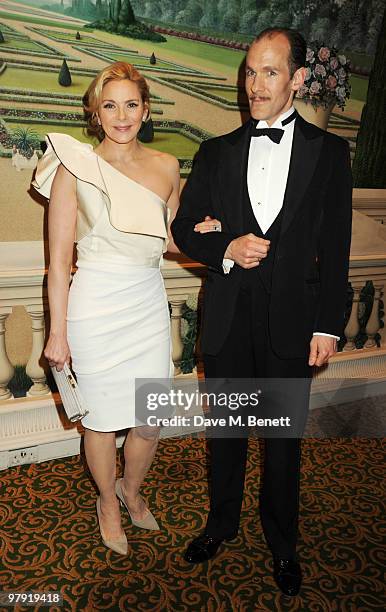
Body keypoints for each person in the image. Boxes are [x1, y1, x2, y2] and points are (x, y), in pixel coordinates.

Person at [171, 28, 352, 596]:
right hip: (227, 318)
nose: (255, 84)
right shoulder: (215, 152)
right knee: (225, 435)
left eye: (269, 73)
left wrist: (328, 323)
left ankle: (282, 542)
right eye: (250, 71)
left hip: (292, 324)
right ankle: (220, 524)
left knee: (282, 445)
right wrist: (223, 248)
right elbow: (181, 230)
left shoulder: (330, 154)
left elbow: (338, 247)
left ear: (298, 79)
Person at [32, 62, 217, 556]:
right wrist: (57, 333)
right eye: (109, 105)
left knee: (149, 418)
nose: (121, 115)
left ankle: (130, 491)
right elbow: (57, 263)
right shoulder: (76, 167)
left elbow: (172, 242)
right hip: (93, 304)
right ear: (95, 112)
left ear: (146, 109)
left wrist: (208, 238)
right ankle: (106, 503)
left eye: (130, 104)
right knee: (100, 420)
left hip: (146, 303)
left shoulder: (166, 166)